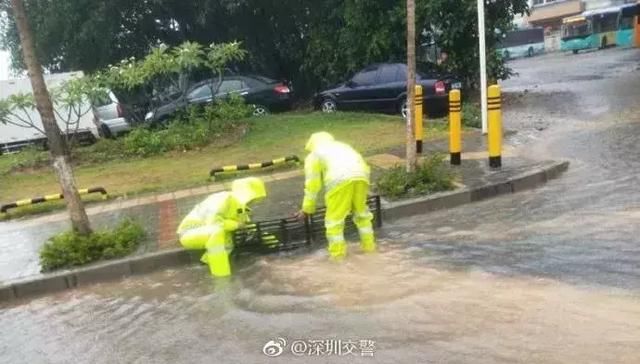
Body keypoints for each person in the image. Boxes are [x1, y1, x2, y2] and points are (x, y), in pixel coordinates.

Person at [295, 132, 376, 260]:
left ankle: (337, 258)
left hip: (339, 181)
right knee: (362, 216)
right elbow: (361, 164)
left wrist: (307, 209)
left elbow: (312, 185)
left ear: (311, 144)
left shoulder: (314, 155)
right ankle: (370, 248)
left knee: (334, 222)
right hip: (362, 177)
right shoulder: (343, 146)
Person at [177, 177, 266, 277]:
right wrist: (236, 225)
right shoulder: (222, 200)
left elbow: (250, 227)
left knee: (226, 239)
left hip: (209, 233)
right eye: (252, 198)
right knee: (218, 233)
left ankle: (207, 263)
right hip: (189, 233)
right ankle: (221, 277)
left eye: (255, 199)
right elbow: (213, 222)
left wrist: (274, 243)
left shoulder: (241, 208)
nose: (252, 202)